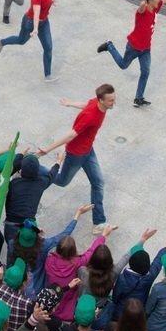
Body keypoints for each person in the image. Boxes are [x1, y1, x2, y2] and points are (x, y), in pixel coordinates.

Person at [35, 85, 117, 231]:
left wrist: (70, 103)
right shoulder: (90, 116)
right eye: (110, 100)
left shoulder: (96, 103)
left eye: (114, 99)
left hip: (88, 150)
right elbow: (71, 135)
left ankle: (98, 223)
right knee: (62, 181)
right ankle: (32, 167)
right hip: (76, 154)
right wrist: (48, 149)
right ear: (101, 100)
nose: (113, 102)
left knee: (98, 182)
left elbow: (86, 104)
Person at [97, 0, 166, 107]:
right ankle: (109, 46)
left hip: (146, 49)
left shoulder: (155, 8)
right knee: (123, 65)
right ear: (149, 1)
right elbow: (141, 9)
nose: (158, 0)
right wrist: (142, 4)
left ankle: (138, 98)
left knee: (145, 72)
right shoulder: (141, 13)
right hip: (133, 47)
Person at [0, 0, 56, 81]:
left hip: (44, 22)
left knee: (48, 47)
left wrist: (53, 1)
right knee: (21, 41)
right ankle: (2, 42)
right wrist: (35, 29)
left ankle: (47, 75)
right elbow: (36, 14)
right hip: (30, 22)